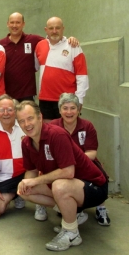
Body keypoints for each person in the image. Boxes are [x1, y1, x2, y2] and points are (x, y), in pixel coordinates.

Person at [16, 101, 108, 251]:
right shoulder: (26, 142)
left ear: (40, 117)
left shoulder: (56, 134)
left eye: (30, 118)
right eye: (21, 121)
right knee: (25, 190)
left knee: (60, 185)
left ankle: (72, 233)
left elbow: (68, 172)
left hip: (94, 186)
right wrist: (26, 181)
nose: (27, 124)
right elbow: (31, 171)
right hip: (72, 185)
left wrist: (35, 180)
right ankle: (73, 214)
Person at [49, 93, 110, 226]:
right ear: (59, 110)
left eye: (73, 108)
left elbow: (92, 153)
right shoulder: (52, 127)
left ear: (78, 110)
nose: (69, 112)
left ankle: (101, 207)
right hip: (62, 166)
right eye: (65, 108)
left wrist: (72, 161)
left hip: (85, 164)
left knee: (99, 175)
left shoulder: (87, 126)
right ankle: (68, 207)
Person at [0, 13, 79, 102]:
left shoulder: (33, 40)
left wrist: (68, 40)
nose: (14, 25)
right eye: (12, 22)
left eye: (18, 22)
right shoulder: (0, 45)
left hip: (27, 94)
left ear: (23, 24)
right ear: (7, 24)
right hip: (6, 94)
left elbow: (54, 39)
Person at [35, 16, 88, 122]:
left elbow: (82, 75)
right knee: (49, 134)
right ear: (46, 30)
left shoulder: (73, 46)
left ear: (63, 29)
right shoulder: (40, 45)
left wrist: (80, 99)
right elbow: (35, 67)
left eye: (57, 28)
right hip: (45, 100)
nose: (54, 31)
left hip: (67, 100)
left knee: (67, 135)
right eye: (51, 28)